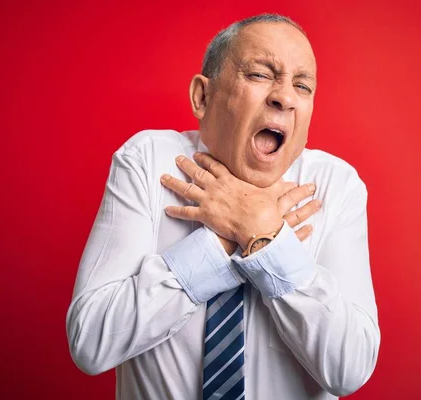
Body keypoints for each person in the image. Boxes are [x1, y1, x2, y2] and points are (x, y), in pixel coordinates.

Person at [66, 13, 380, 400]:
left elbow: (349, 369)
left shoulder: (336, 186)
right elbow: (91, 341)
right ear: (202, 96)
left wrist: (266, 240)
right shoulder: (148, 162)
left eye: (302, 85)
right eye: (260, 75)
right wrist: (219, 244)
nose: (284, 97)